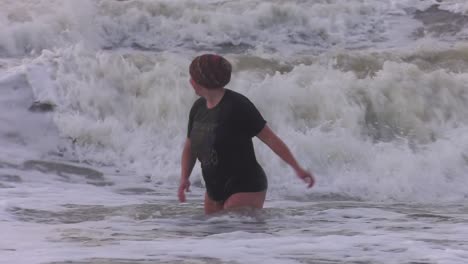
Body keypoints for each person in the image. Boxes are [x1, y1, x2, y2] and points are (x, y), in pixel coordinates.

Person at [178, 54, 315, 214]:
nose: (190, 81)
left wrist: (297, 168)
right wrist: (184, 177)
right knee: (212, 234)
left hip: (246, 185)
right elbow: (190, 146)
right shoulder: (198, 108)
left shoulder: (238, 106)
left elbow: (270, 139)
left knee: (234, 230)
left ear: (202, 81)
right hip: (213, 189)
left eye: (192, 77)